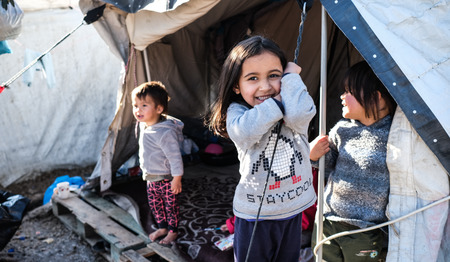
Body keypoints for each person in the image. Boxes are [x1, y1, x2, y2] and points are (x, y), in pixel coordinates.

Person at [208, 35, 317, 262]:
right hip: (256, 216)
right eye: (253, 78)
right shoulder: (238, 114)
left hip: (294, 209)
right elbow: (245, 132)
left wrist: (291, 79)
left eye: (274, 76)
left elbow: (300, 115)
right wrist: (276, 103)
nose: (265, 86)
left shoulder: (294, 104)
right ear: (236, 86)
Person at [310, 60, 397, 262]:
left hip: (366, 228)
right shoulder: (342, 129)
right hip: (328, 219)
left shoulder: (393, 134)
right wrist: (314, 155)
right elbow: (327, 163)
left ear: (377, 98)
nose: (342, 96)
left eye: (349, 91)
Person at [131, 81, 184, 245]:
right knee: (155, 206)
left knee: (170, 207)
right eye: (135, 105)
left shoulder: (164, 132)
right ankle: (162, 227)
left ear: (159, 109)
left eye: (144, 105)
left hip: (166, 179)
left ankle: (172, 232)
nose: (138, 110)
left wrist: (177, 178)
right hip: (151, 178)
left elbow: (175, 157)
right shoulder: (144, 125)